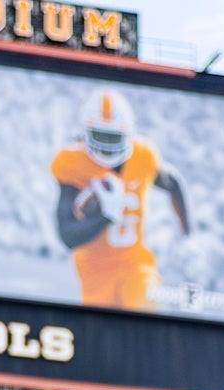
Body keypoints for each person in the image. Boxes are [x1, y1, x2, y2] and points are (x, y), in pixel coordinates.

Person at [51, 84, 191, 311]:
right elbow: (67, 235)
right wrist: (105, 217)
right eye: (101, 135)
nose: (107, 145)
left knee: (147, 309)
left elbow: (173, 183)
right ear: (85, 133)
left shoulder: (142, 156)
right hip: (95, 274)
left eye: (113, 136)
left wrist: (188, 236)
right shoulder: (72, 164)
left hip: (135, 265)